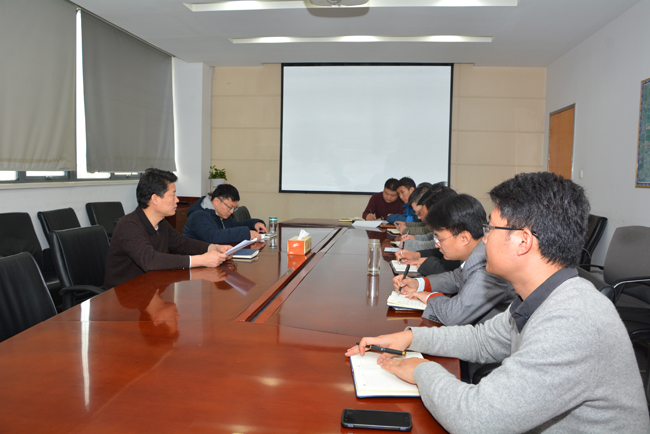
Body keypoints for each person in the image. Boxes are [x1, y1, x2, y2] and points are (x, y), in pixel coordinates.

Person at [347, 172, 650, 433]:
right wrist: (411, 337)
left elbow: (476, 419)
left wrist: (419, 369)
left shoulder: (572, 321)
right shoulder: (541, 296)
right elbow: (481, 340)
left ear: (523, 241)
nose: (484, 239)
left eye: (490, 229)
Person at [394, 194, 516, 326]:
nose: (437, 245)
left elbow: (453, 315)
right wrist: (418, 284)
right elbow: (456, 278)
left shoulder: (488, 263)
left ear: (464, 238)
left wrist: (429, 297)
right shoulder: (477, 252)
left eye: (440, 239)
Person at [104, 168, 232, 289]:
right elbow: (150, 260)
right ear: (155, 199)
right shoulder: (129, 226)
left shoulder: (161, 223)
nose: (177, 200)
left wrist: (214, 247)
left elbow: (183, 243)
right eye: (173, 195)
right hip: (123, 295)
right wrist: (201, 260)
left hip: (151, 287)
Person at [183, 184, 267, 245]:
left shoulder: (221, 214)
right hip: (197, 261)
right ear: (216, 201)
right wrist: (246, 233)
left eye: (234, 208)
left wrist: (254, 223)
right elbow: (213, 236)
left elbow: (236, 225)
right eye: (230, 207)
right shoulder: (198, 215)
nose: (232, 211)